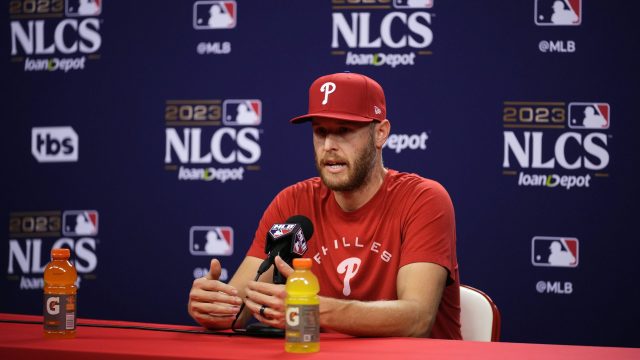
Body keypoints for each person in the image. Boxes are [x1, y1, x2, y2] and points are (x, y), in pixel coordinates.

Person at [188, 72, 461, 339]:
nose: (329, 145)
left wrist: (313, 309)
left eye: (344, 131)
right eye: (320, 132)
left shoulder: (423, 199)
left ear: (380, 134)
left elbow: (417, 319)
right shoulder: (292, 202)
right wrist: (215, 307)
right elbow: (238, 309)